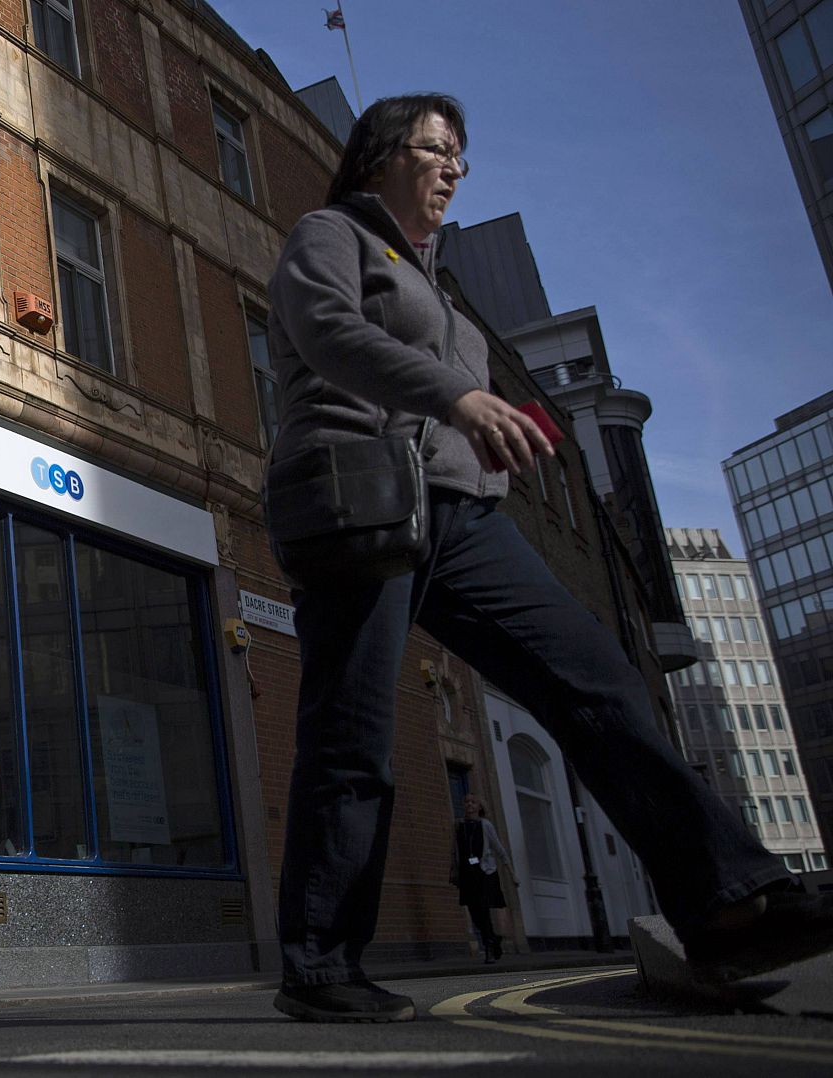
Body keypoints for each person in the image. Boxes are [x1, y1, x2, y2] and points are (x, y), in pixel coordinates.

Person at [264, 92, 833, 1023]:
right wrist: (458, 397)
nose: (455, 168)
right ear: (378, 158)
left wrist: (487, 437)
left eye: (464, 158)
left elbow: (453, 399)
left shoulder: (436, 282)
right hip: (356, 500)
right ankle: (320, 966)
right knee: (352, 735)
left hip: (461, 519)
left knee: (600, 683)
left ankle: (730, 904)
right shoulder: (330, 235)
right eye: (439, 149)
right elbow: (329, 336)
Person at [451, 795, 511, 964]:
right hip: (467, 874)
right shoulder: (459, 825)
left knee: (483, 910)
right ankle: (494, 938)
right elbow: (454, 849)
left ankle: (489, 948)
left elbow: (498, 847)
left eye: (473, 802)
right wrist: (454, 870)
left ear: (479, 807)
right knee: (474, 912)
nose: (469, 805)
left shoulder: (485, 825)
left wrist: (511, 871)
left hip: (484, 873)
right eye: (466, 802)